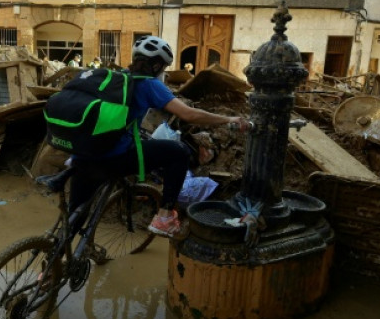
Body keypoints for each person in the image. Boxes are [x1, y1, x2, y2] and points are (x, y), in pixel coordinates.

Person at [68, 35, 251, 237]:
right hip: (113, 158)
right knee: (178, 152)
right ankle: (164, 217)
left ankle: (54, 258)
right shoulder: (149, 84)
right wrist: (229, 120)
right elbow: (188, 114)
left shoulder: (115, 78)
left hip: (82, 154)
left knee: (74, 217)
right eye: (163, 67)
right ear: (156, 66)